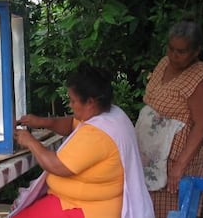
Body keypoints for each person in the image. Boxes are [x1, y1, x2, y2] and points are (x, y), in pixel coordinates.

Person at [9, 64, 155, 218]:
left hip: (85, 209)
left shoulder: (97, 135)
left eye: (73, 101)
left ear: (90, 102)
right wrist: (44, 122)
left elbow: (57, 166)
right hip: (78, 202)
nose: (71, 105)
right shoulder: (111, 114)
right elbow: (72, 123)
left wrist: (31, 142)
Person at [135, 18, 203, 218]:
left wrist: (180, 165)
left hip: (176, 160)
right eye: (171, 48)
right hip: (150, 156)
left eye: (181, 51)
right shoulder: (164, 63)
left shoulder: (201, 80)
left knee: (171, 208)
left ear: (196, 51)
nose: (173, 55)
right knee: (146, 207)